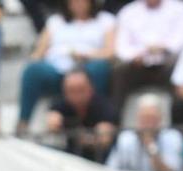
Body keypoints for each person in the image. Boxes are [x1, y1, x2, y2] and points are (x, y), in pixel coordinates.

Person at [16, 0, 115, 134]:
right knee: (32, 70)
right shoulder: (55, 21)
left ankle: (99, 120)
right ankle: (23, 123)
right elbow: (38, 53)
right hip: (57, 70)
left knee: (99, 68)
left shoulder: (105, 20)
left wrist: (87, 55)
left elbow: (110, 52)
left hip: (87, 68)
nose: (78, 4)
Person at [109, 0, 183, 112]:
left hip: (168, 62)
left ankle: (179, 120)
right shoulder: (128, 11)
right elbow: (121, 45)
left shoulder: (181, 8)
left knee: (180, 73)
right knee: (118, 71)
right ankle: (116, 119)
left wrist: (163, 48)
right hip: (138, 64)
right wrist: (135, 55)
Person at [46, 69, 118, 162]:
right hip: (71, 160)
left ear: (91, 89)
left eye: (81, 90)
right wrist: (54, 123)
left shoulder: (105, 107)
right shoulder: (61, 106)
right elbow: (53, 121)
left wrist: (85, 139)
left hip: (101, 163)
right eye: (71, 90)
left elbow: (104, 140)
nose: (77, 96)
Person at [105, 94, 183, 171]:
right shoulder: (126, 138)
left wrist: (151, 148)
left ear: (160, 119)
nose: (148, 124)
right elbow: (111, 169)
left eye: (152, 118)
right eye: (144, 118)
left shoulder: (172, 137)